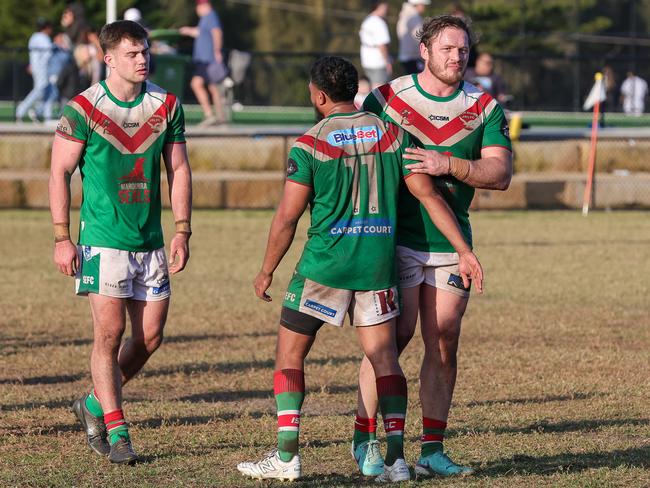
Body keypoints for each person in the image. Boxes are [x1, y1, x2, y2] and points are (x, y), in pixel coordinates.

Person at [236, 56, 483, 482]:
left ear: (318, 96)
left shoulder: (310, 144)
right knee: (386, 360)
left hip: (324, 267)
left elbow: (287, 218)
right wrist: (463, 248)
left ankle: (286, 457)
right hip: (376, 268)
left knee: (290, 356)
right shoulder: (394, 136)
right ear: (355, 90)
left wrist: (266, 270)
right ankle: (396, 460)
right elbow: (427, 195)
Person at [355, 14, 512, 478]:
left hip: (449, 240)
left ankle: (432, 449)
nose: (456, 57)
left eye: (462, 49)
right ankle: (364, 437)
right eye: (447, 48)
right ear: (424, 50)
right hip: (392, 239)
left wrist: (449, 164)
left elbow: (500, 174)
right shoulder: (385, 99)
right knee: (393, 338)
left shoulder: (483, 107)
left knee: (443, 338)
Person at [49, 20, 192, 464]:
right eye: (132, 53)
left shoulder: (166, 104)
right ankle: (117, 431)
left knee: (149, 337)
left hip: (149, 242)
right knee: (109, 335)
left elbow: (180, 170)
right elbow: (59, 172)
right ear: (107, 59)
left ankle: (92, 404)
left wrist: (182, 228)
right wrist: (62, 237)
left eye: (145, 51)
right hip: (102, 240)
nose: (143, 59)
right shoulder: (83, 108)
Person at [180, 0, 227, 126]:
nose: (197, 9)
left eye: (198, 6)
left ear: (204, 6)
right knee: (213, 88)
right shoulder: (205, 19)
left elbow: (217, 32)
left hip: (208, 60)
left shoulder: (211, 16)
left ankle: (212, 115)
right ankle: (219, 117)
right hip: (205, 60)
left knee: (198, 84)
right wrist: (188, 31)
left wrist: (217, 50)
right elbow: (201, 33)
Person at [16, 18, 53, 122]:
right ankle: (21, 110)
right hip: (42, 68)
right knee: (39, 91)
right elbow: (49, 53)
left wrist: (31, 65)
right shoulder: (43, 38)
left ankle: (43, 115)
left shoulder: (34, 37)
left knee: (47, 92)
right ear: (46, 27)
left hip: (37, 67)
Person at [359, 1, 392, 88]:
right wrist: (387, 61)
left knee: (370, 87)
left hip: (366, 59)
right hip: (378, 61)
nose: (386, 10)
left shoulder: (367, 20)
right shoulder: (379, 23)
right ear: (380, 7)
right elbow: (382, 44)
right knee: (379, 90)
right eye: (385, 7)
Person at [397, 0, 430, 75]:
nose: (424, 8)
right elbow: (418, 37)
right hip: (413, 57)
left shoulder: (404, 15)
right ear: (418, 4)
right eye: (423, 5)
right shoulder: (414, 17)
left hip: (406, 55)